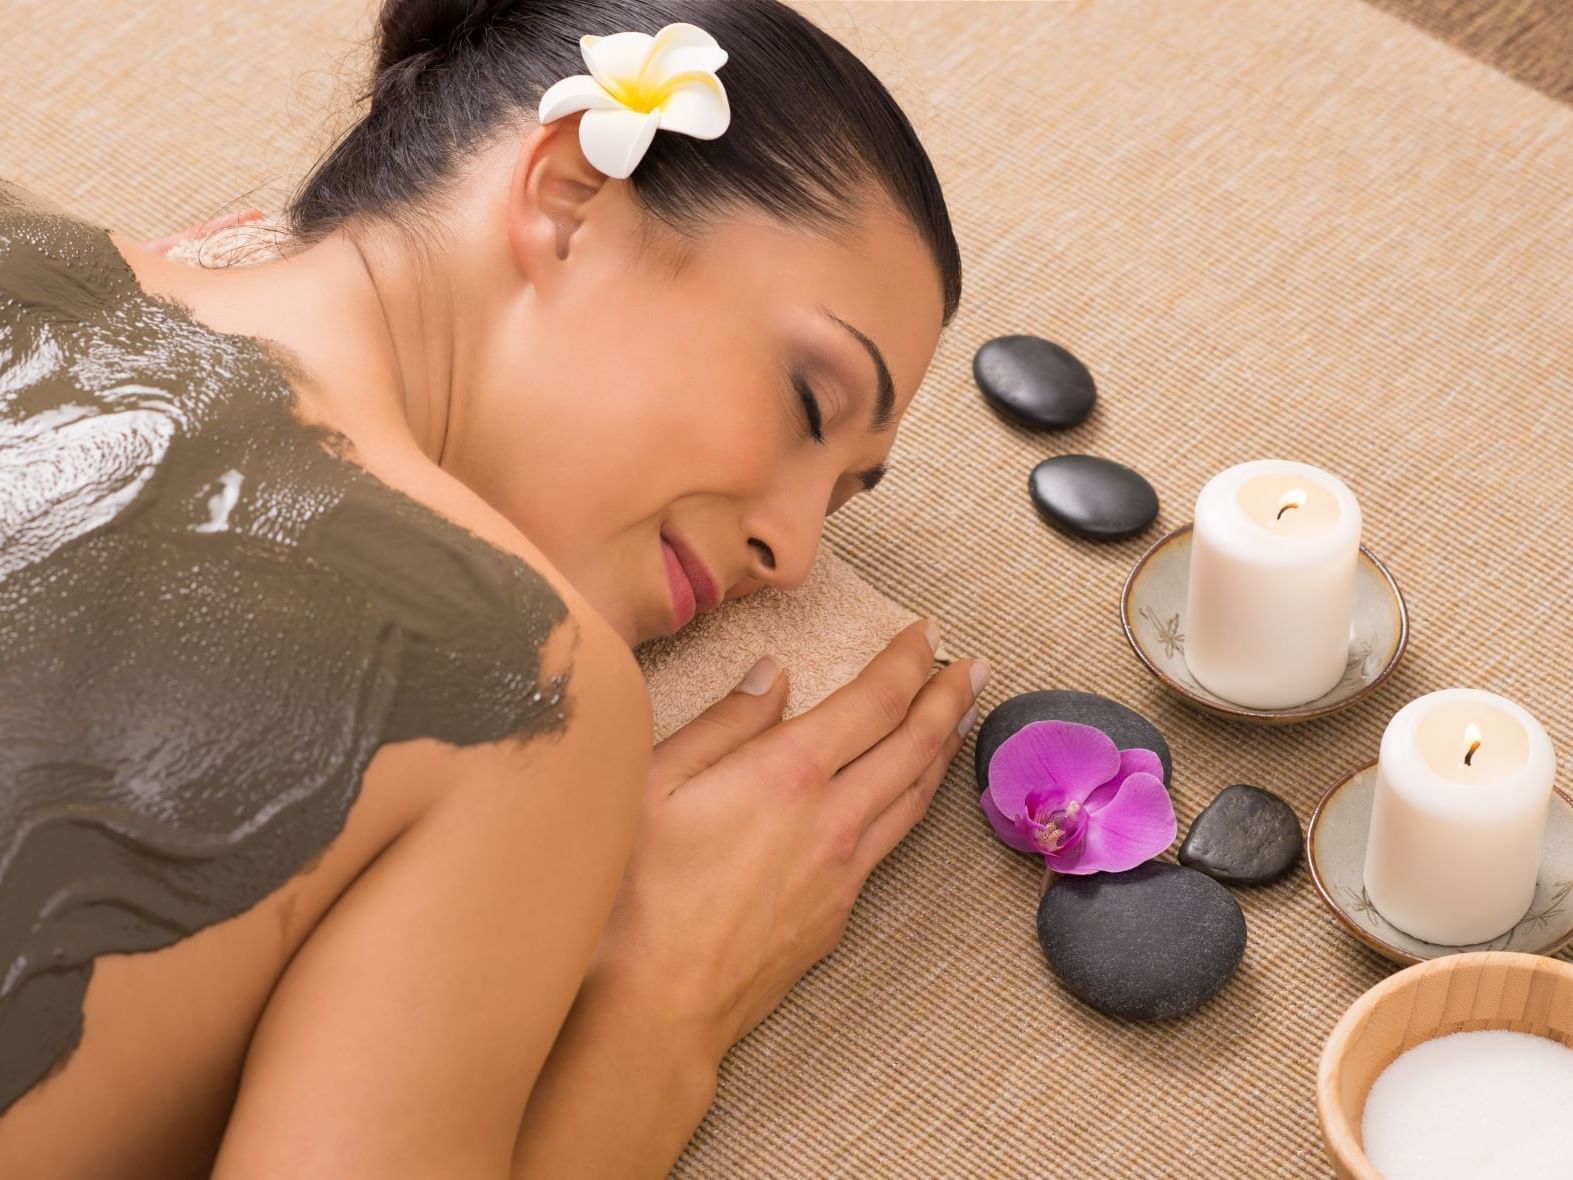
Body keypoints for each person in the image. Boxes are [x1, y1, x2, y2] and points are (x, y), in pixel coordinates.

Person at [0, 1, 985, 1175]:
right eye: (810, 403)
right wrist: (660, 1003)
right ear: (570, 194)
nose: (794, 554)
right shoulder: (522, 675)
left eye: (838, 499)